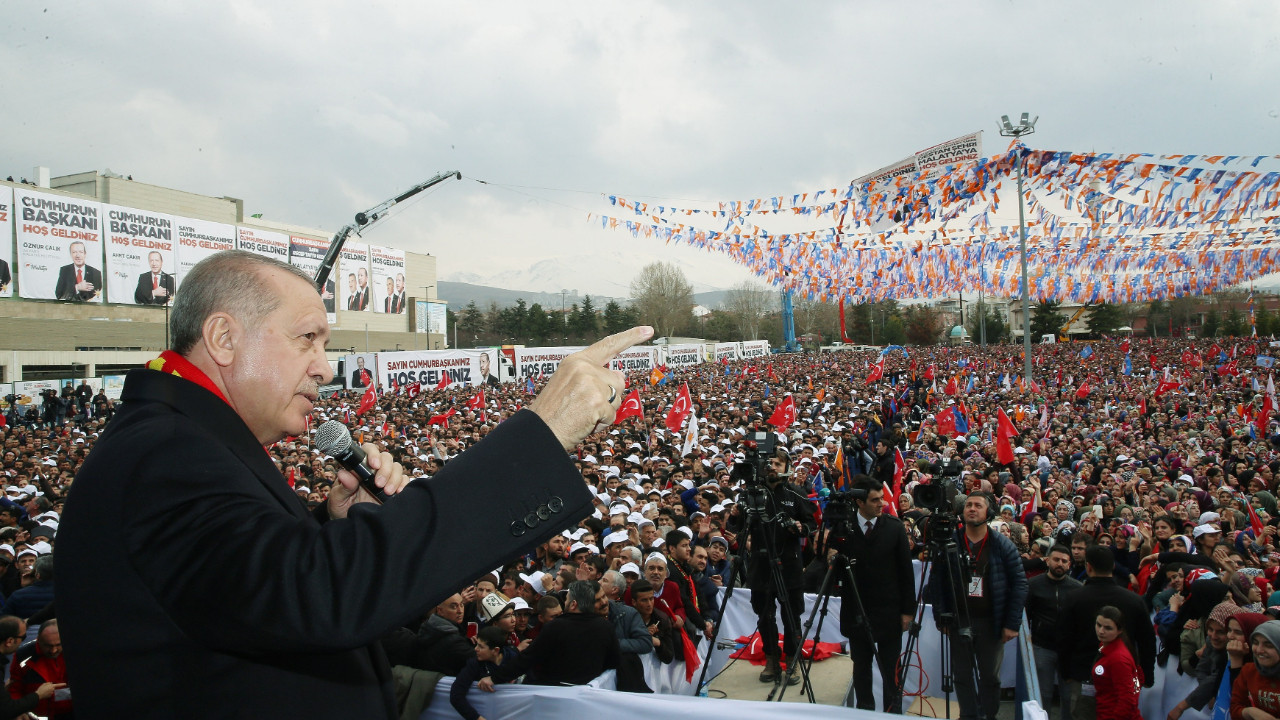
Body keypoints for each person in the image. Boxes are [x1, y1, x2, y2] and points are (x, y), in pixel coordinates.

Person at [55, 249, 649, 717]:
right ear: (224, 338)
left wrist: (331, 524)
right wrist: (542, 433)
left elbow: (245, 591)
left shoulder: (180, 442)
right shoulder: (164, 454)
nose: (324, 366)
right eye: (306, 338)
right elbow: (317, 598)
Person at [927, 491, 1028, 720]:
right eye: (968, 505)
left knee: (990, 677)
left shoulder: (1002, 545)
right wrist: (941, 617)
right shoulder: (950, 541)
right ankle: (968, 715)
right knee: (961, 676)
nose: (972, 509)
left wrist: (1011, 623)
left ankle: (988, 715)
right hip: (959, 620)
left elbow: (1020, 584)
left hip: (991, 623)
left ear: (988, 512)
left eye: (978, 505)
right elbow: (937, 582)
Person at [725, 449, 816, 686]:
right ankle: (771, 659)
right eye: (770, 463)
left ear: (787, 467)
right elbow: (736, 527)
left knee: (791, 616)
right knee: (764, 615)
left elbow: (811, 523)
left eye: (778, 463)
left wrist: (800, 528)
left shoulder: (796, 493)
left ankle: (792, 660)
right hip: (760, 564)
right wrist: (735, 515)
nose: (773, 467)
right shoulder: (750, 493)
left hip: (789, 565)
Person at [830, 478, 915, 713]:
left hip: (889, 613)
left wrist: (908, 611)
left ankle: (892, 713)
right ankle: (865, 711)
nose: (881, 504)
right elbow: (831, 562)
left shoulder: (894, 527)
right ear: (859, 502)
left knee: (891, 671)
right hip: (856, 611)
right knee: (861, 669)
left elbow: (906, 573)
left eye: (882, 499)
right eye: (875, 500)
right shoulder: (844, 527)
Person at [1056, 545, 1156, 720]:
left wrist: (1066, 672)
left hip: (1085, 676)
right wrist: (1147, 676)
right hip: (1119, 679)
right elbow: (1147, 641)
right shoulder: (1134, 601)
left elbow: (1063, 638)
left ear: (1088, 567)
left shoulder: (1073, 598)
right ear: (1114, 566)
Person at [480, 580, 619, 688]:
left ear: (573, 604)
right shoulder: (606, 627)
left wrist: (494, 678)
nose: (565, 602)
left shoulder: (556, 627)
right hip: (590, 698)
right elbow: (613, 662)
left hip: (556, 697)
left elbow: (527, 659)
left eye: (567, 599)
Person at [1025, 544, 1082, 720]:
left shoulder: (1077, 588)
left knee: (1068, 696)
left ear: (1069, 564)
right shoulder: (1034, 585)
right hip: (1042, 646)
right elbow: (1026, 615)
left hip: (1068, 650)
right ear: (1048, 560)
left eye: (1064, 561)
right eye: (1056, 560)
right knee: (1043, 694)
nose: (1060, 564)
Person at [449, 626, 517, 720]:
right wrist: (477, 718)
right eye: (477, 645)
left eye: (481, 646)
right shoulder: (474, 664)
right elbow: (456, 696)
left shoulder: (515, 660)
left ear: (495, 650)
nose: (475, 649)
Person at [0, 615, 62, 716]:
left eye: (58, 645)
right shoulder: (23, 655)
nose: (53, 650)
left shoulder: (77, 655)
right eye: (47, 645)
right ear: (38, 640)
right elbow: (14, 690)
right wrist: (20, 712)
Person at [1091, 605, 1142, 720]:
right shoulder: (1108, 646)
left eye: (1108, 628)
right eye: (1098, 625)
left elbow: (1127, 700)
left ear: (1120, 630)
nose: (1101, 631)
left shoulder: (1118, 659)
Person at [1230, 619, 1280, 719]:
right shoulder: (1249, 671)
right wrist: (1249, 712)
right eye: (1255, 643)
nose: (1259, 650)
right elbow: (1235, 708)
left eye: (1268, 645)